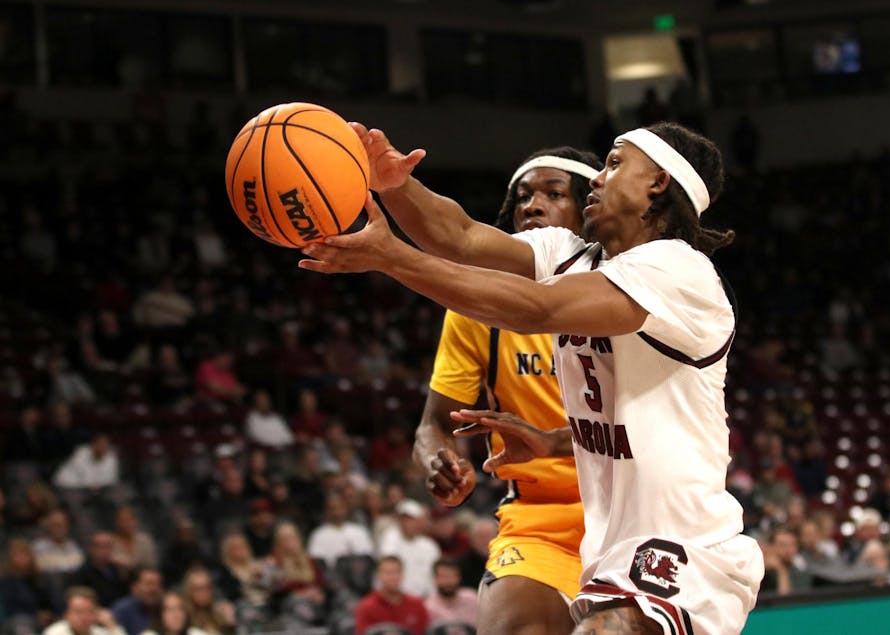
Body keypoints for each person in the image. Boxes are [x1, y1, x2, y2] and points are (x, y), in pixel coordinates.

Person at [299, 120, 764, 634]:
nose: (597, 178)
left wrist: (391, 258)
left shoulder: (678, 271)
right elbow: (461, 237)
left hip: (685, 548)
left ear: (657, 183)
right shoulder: (575, 256)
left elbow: (538, 310)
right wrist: (394, 183)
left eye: (613, 164)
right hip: (610, 551)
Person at [414, 146, 599, 634]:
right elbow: (433, 424)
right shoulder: (478, 308)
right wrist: (440, 460)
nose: (531, 206)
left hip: (633, 511)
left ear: (589, 211)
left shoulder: (629, 289)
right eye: (522, 197)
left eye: (553, 194)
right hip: (540, 520)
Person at [354, 555, 429, 635]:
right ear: (378, 575)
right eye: (388, 573)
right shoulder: (366, 607)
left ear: (403, 574)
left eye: (397, 572)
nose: (393, 577)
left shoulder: (417, 604)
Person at [307, 492, 375, 568]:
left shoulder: (360, 531)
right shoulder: (318, 535)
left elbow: (368, 557)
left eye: (340, 507)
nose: (336, 512)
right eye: (332, 508)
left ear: (346, 509)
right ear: (327, 511)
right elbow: (317, 561)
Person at [44, 586, 126, 635]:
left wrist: (112, 626)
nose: (84, 617)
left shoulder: (100, 632)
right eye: (78, 612)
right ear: (66, 614)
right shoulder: (54, 633)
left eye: (89, 611)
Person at [424, 559, 477, 629]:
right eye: (444, 577)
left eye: (452, 576)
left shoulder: (472, 599)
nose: (448, 581)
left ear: (459, 578)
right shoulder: (428, 606)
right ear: (435, 579)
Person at [111, 567, 164, 635]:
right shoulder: (123, 610)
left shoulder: (166, 608)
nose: (153, 589)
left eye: (157, 584)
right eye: (148, 584)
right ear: (138, 586)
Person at [138, 591, 208, 635]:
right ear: (160, 614)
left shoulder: (196, 633)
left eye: (180, 609)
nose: (176, 615)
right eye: (170, 609)